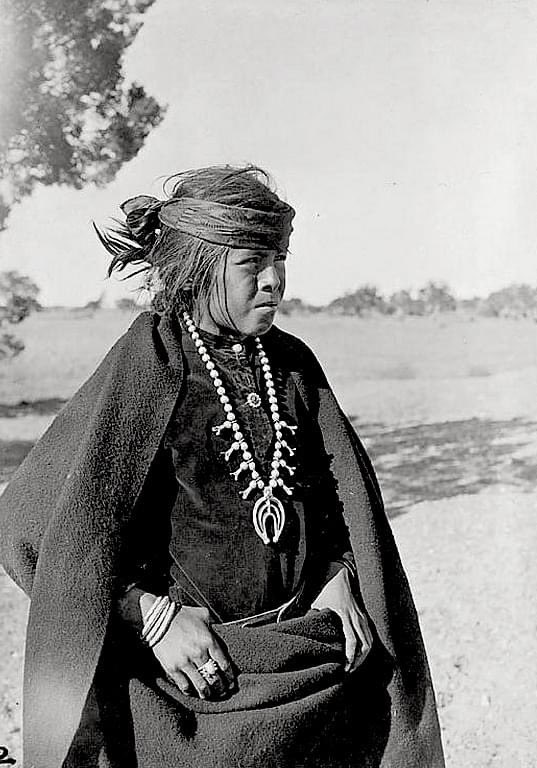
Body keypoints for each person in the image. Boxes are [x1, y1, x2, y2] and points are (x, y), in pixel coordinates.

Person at [0, 166, 444, 768]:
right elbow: (26, 522)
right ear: (199, 266)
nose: (274, 282)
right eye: (251, 264)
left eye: (281, 259)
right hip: (189, 697)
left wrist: (337, 571)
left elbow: (333, 497)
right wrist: (150, 617)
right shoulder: (149, 363)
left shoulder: (292, 365)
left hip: (305, 670)